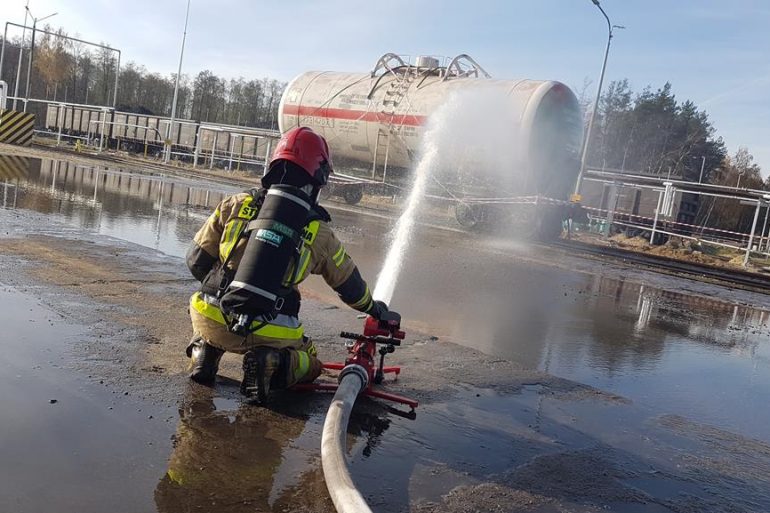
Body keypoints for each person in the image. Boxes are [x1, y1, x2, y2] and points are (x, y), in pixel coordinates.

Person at [184, 126, 393, 402]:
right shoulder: (318, 231)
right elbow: (350, 286)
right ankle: (271, 362)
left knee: (212, 321)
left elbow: (196, 261)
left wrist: (227, 293)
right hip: (268, 330)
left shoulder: (236, 203)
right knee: (311, 361)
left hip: (208, 315)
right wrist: (374, 309)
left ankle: (204, 353)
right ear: (317, 178)